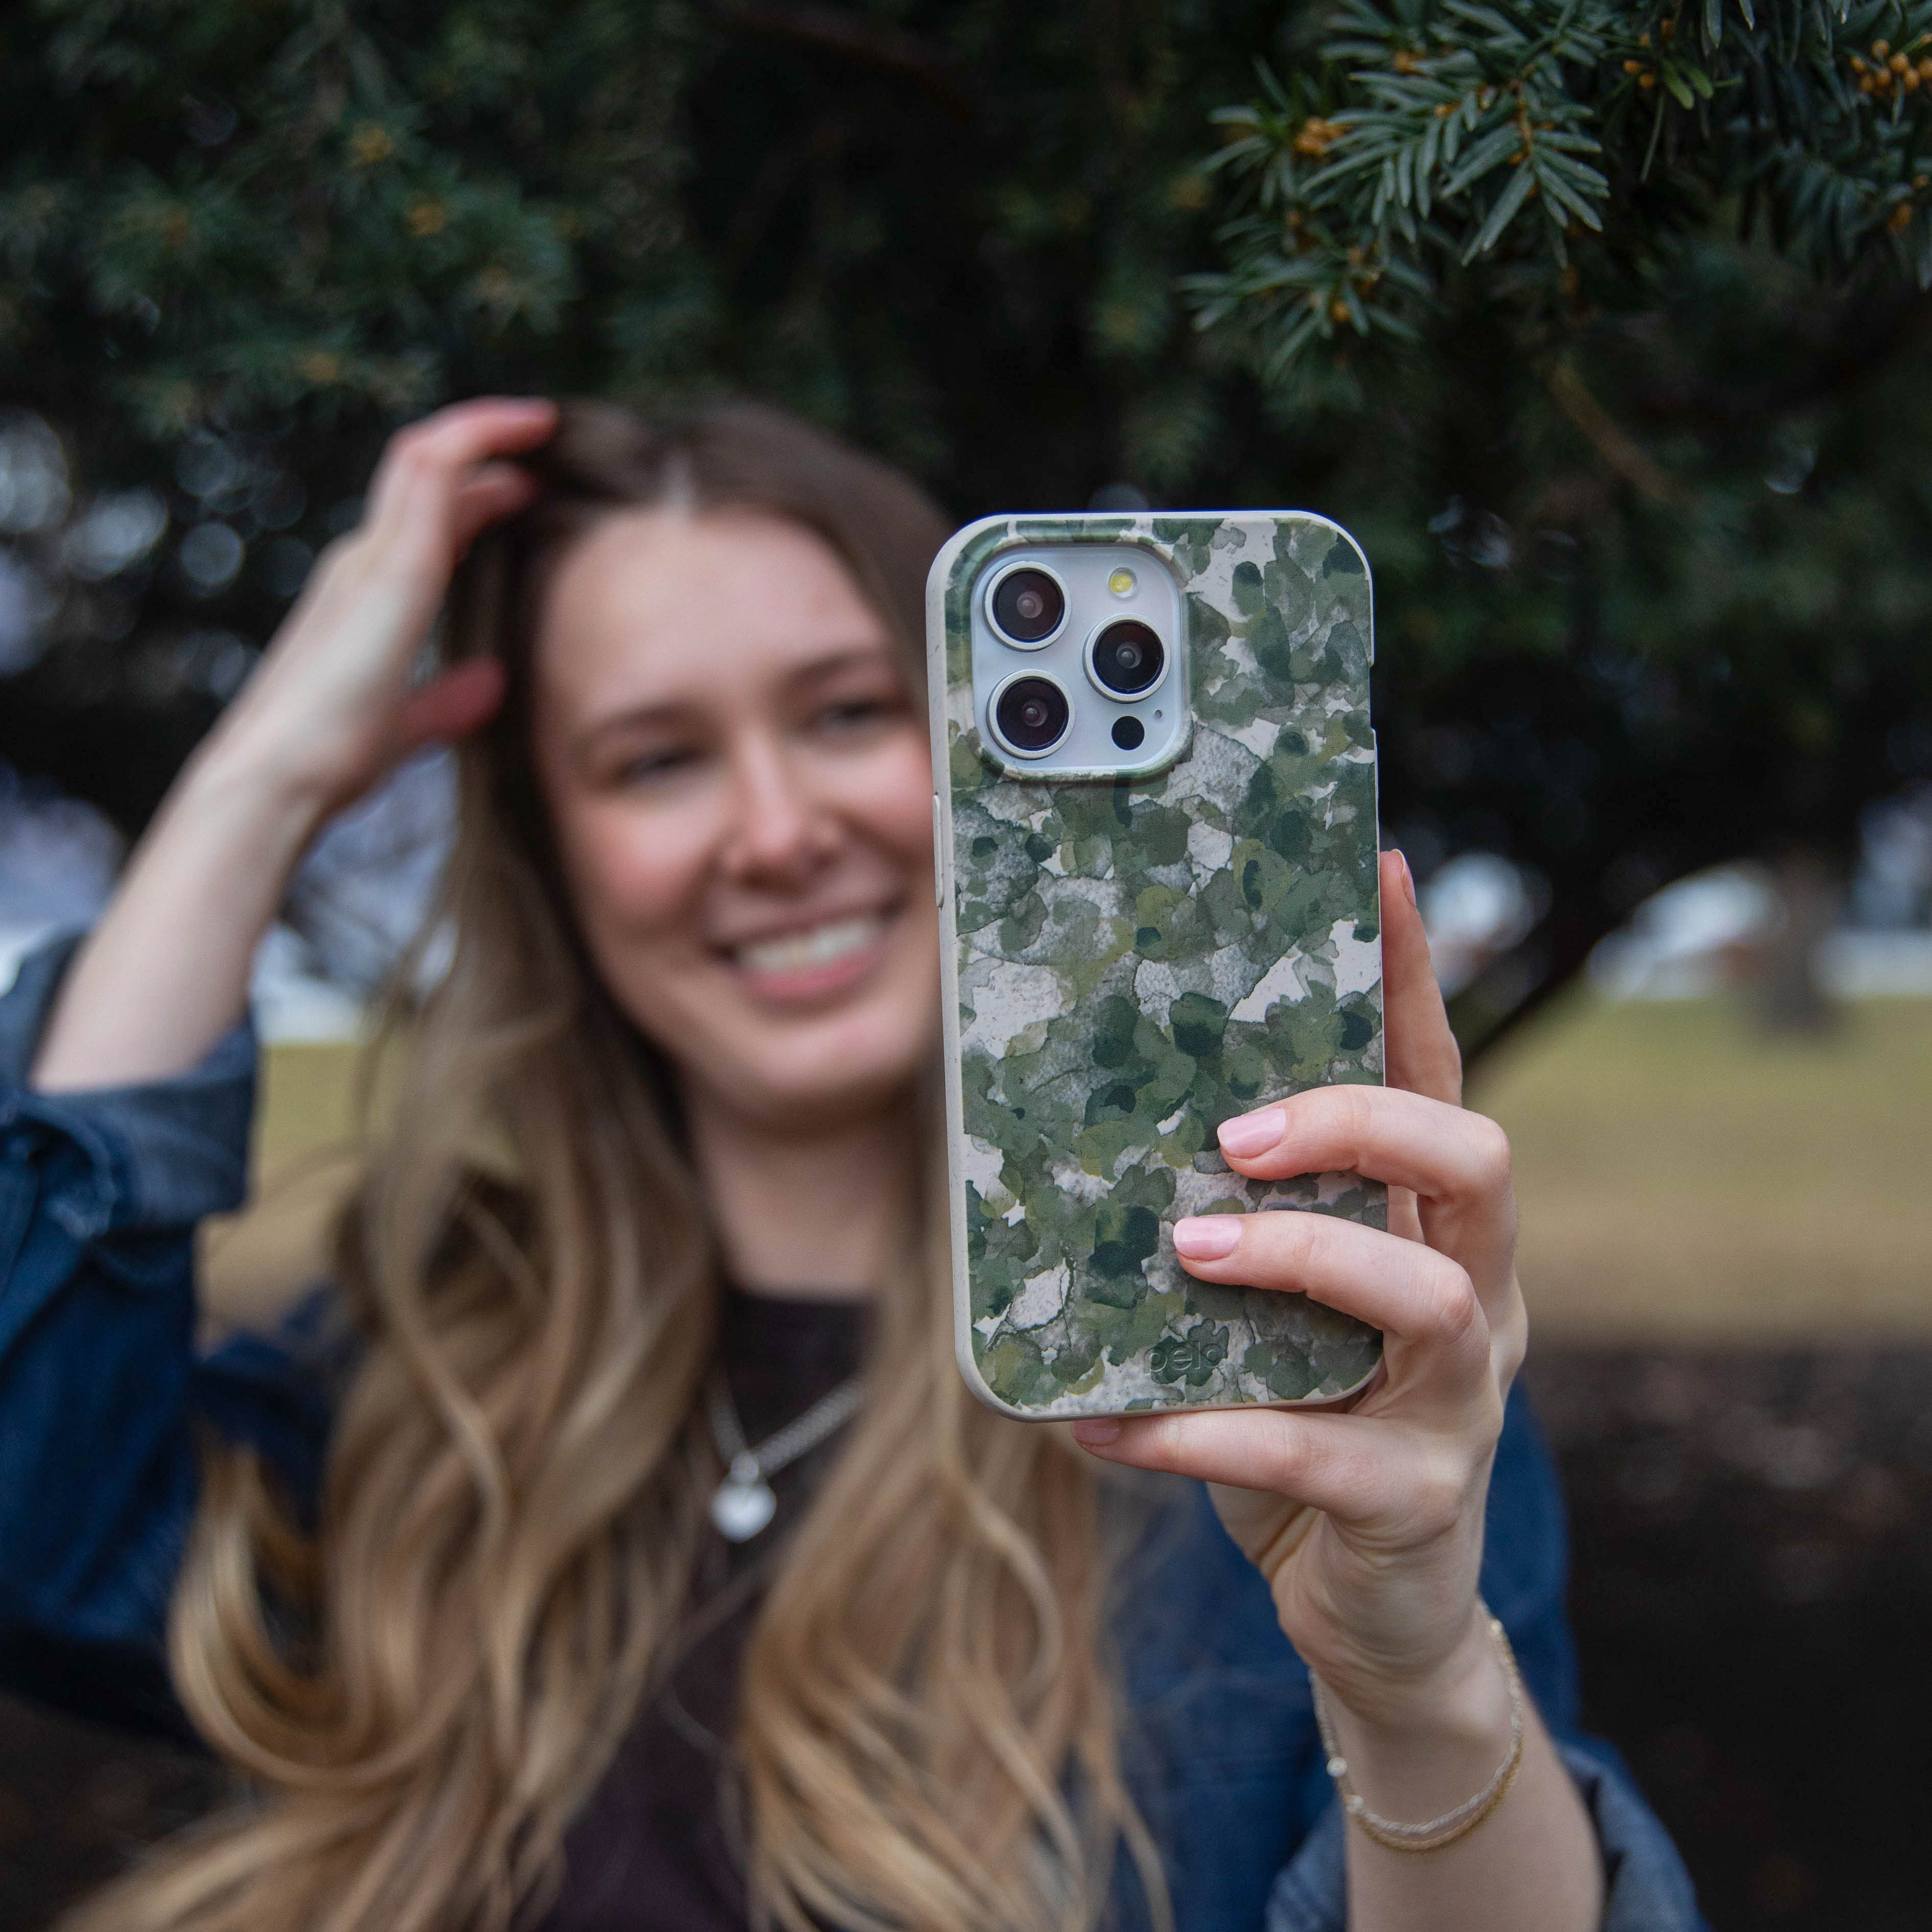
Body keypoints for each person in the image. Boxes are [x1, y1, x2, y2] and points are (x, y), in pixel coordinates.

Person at [0, 398, 1700, 1932]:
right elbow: (39, 1523)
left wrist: (1411, 1688)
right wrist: (258, 777)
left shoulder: (1274, 1385)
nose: (774, 827)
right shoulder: (424, 1377)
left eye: (844, 711)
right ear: (556, 854)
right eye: (655, 758)